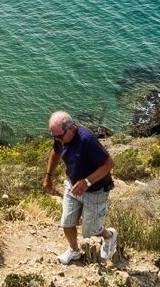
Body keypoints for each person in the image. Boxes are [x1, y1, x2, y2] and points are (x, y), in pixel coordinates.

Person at [43, 111, 118, 264]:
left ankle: (109, 235)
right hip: (72, 186)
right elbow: (56, 152)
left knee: (90, 230)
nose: (57, 140)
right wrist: (48, 176)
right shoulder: (61, 137)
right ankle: (74, 250)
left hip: (95, 190)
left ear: (71, 128)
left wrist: (87, 182)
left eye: (59, 136)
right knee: (67, 222)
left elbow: (109, 164)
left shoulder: (87, 140)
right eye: (54, 137)